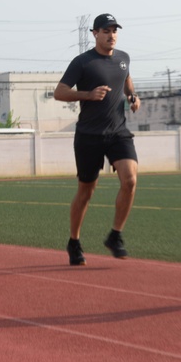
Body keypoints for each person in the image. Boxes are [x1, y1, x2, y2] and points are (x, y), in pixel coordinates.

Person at [53, 13, 141, 267]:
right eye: (105, 30)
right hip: (89, 135)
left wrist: (133, 97)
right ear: (94, 33)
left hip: (118, 132)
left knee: (130, 179)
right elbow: (59, 92)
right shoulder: (82, 62)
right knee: (86, 192)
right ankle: (74, 241)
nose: (111, 35)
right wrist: (88, 95)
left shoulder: (123, 59)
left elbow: (126, 80)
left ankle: (115, 236)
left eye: (114, 30)